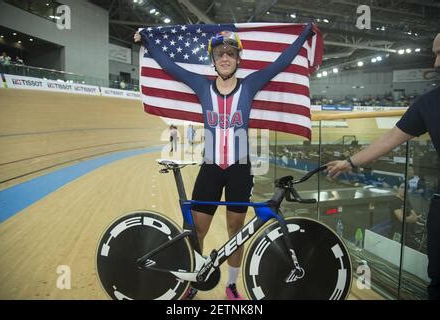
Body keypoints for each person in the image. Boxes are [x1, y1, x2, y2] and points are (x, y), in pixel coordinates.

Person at [135, 23, 314, 300]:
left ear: (238, 59)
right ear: (214, 60)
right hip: (210, 168)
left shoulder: (251, 84)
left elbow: (281, 62)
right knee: (197, 230)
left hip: (240, 170)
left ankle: (231, 286)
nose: (226, 58)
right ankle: (193, 282)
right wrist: (147, 39)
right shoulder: (201, 85)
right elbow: (170, 67)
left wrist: (303, 35)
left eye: (231, 54)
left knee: (236, 231)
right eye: (220, 54)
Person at [326, 33, 440, 300]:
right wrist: (350, 161)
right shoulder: (429, 102)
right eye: (435, 54)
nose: (436, 63)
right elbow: (390, 138)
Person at [388, 183, 421, 248]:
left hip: (407, 232)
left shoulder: (406, 201)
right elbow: (402, 219)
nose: (403, 190)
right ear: (398, 188)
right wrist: (412, 218)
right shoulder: (395, 201)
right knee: (394, 249)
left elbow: (414, 216)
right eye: (402, 187)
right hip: (397, 232)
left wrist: (409, 218)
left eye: (406, 188)